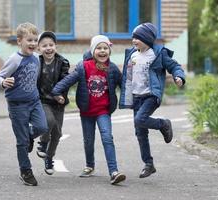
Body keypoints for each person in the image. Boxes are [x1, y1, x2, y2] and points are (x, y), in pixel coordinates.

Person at [51, 35, 126, 185]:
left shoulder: (111, 68)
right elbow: (68, 80)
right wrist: (56, 91)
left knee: (107, 137)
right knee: (88, 140)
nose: (102, 51)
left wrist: (134, 97)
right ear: (93, 51)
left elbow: (124, 84)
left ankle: (114, 171)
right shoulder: (83, 67)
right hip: (86, 110)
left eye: (105, 48)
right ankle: (90, 166)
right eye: (99, 48)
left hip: (103, 110)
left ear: (109, 51)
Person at [119, 22, 185, 178]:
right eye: (133, 37)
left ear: (147, 39)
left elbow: (174, 66)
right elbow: (127, 75)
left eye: (138, 38)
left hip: (151, 95)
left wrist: (179, 76)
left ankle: (163, 124)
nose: (134, 40)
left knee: (139, 120)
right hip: (136, 96)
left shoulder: (158, 54)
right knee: (140, 132)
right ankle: (149, 164)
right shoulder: (132, 54)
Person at [0, 22, 48, 186]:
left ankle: (29, 136)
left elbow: (34, 79)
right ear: (19, 41)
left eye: (34, 40)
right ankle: (26, 171)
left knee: (42, 127)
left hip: (34, 101)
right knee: (22, 141)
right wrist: (4, 83)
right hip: (17, 105)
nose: (33, 44)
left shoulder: (36, 59)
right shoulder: (14, 59)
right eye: (29, 40)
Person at [36, 31, 70, 175]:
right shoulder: (36, 62)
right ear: (39, 48)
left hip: (58, 102)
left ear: (56, 46)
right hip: (43, 101)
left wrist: (60, 95)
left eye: (51, 45)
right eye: (44, 46)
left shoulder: (63, 62)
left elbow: (65, 81)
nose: (48, 48)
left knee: (57, 134)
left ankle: (49, 158)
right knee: (48, 121)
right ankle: (43, 143)